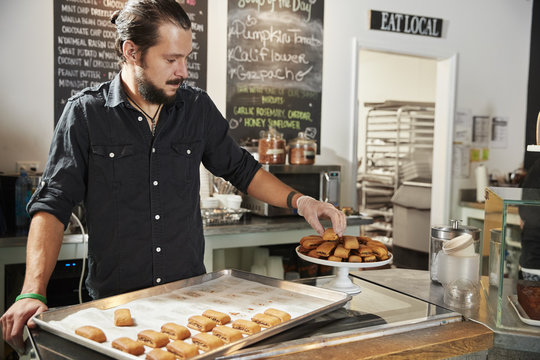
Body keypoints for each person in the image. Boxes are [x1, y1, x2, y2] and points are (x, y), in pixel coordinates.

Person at [1, 0, 346, 353]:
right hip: (119, 305)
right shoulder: (86, 114)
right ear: (131, 51)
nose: (183, 71)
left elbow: (241, 168)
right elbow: (52, 205)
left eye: (186, 57)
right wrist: (33, 290)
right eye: (171, 59)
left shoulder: (195, 108)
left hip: (191, 296)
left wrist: (300, 201)